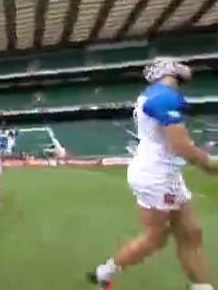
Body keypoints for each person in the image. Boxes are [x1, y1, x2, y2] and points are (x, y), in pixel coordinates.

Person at [88, 58, 217, 290]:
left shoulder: (153, 94)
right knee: (155, 238)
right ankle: (104, 273)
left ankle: (201, 286)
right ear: (169, 71)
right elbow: (181, 146)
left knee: (190, 233)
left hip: (160, 172)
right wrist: (208, 164)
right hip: (157, 175)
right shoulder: (165, 97)